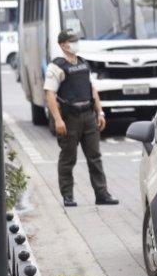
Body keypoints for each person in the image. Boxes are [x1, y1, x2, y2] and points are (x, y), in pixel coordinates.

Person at [43, 29, 118, 207]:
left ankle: (102, 194)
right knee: (68, 158)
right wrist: (58, 120)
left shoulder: (83, 64)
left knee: (95, 156)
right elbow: (50, 95)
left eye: (76, 40)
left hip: (88, 115)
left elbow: (92, 90)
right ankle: (68, 196)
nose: (76, 43)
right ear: (62, 45)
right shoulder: (57, 66)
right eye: (72, 41)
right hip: (69, 118)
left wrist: (100, 112)